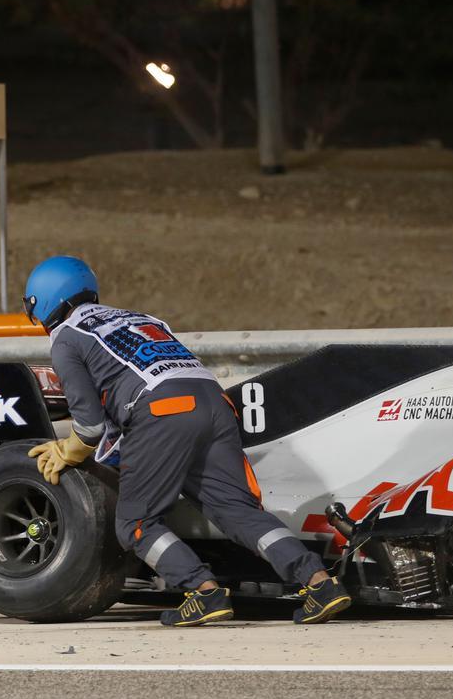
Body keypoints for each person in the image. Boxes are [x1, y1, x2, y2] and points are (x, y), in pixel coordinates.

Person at [23, 256, 352, 627]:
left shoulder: (68, 337)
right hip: (215, 404)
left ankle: (203, 592)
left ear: (43, 302)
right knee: (237, 510)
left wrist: (67, 451)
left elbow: (90, 426)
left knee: (135, 522)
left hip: (163, 412)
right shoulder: (141, 318)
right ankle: (320, 583)